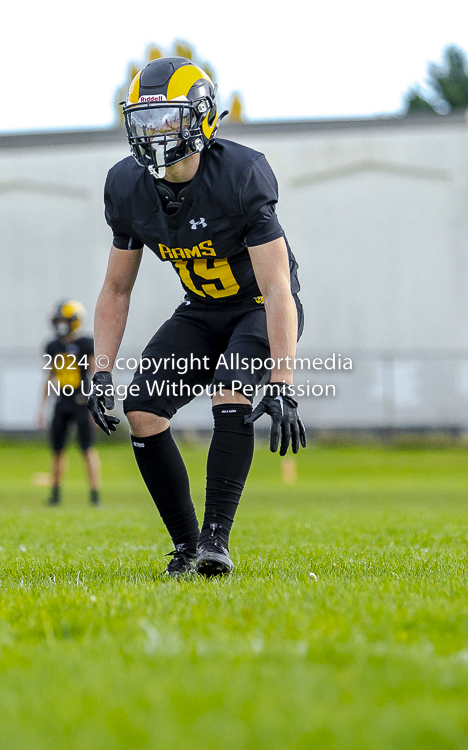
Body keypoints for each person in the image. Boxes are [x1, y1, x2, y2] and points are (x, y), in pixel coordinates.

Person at [87, 56, 306, 576]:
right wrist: (100, 368)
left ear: (203, 118)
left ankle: (217, 540)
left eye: (169, 119)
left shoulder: (240, 174)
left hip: (256, 307)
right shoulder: (126, 186)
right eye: (145, 120)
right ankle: (188, 549)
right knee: (142, 407)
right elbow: (117, 287)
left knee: (231, 390)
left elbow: (277, 289)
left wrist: (283, 381)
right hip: (203, 308)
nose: (157, 134)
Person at [38, 300, 101, 506]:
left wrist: (97, 405)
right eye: (58, 320)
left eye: (64, 320)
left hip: (82, 401)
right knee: (57, 450)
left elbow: (95, 374)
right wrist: (41, 408)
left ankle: (94, 495)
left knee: (87, 448)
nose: (60, 324)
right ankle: (55, 495)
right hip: (62, 401)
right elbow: (49, 376)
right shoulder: (53, 346)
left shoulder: (85, 344)